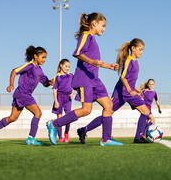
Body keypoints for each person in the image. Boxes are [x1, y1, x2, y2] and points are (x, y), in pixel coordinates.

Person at [46, 12, 123, 146]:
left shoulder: (93, 39)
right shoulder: (85, 36)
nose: (104, 29)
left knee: (108, 106)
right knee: (87, 110)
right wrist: (92, 62)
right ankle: (54, 124)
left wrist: (109, 66)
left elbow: (95, 62)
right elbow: (77, 53)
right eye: (102, 26)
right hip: (84, 79)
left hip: (95, 79)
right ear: (94, 23)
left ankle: (105, 139)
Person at [77, 38, 151, 144]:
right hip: (121, 93)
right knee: (108, 113)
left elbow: (130, 80)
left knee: (146, 111)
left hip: (129, 93)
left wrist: (136, 89)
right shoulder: (129, 60)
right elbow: (123, 78)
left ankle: (138, 137)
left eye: (143, 50)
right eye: (140, 49)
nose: (142, 52)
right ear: (133, 48)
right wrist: (130, 90)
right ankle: (83, 130)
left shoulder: (136, 62)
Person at [0, 46, 53, 145]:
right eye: (42, 57)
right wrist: (11, 84)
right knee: (38, 113)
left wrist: (51, 82)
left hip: (22, 94)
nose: (44, 60)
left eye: (45, 58)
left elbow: (45, 83)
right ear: (35, 56)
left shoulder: (40, 70)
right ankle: (31, 138)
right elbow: (14, 71)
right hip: (23, 93)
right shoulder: (30, 65)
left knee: (12, 118)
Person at [51, 59, 74, 143]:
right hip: (59, 97)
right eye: (66, 66)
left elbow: (74, 85)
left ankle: (66, 134)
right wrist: (56, 101)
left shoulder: (71, 75)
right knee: (59, 118)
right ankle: (60, 137)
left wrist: (72, 93)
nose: (67, 68)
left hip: (68, 98)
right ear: (61, 65)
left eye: (68, 67)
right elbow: (54, 89)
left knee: (68, 117)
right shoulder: (57, 77)